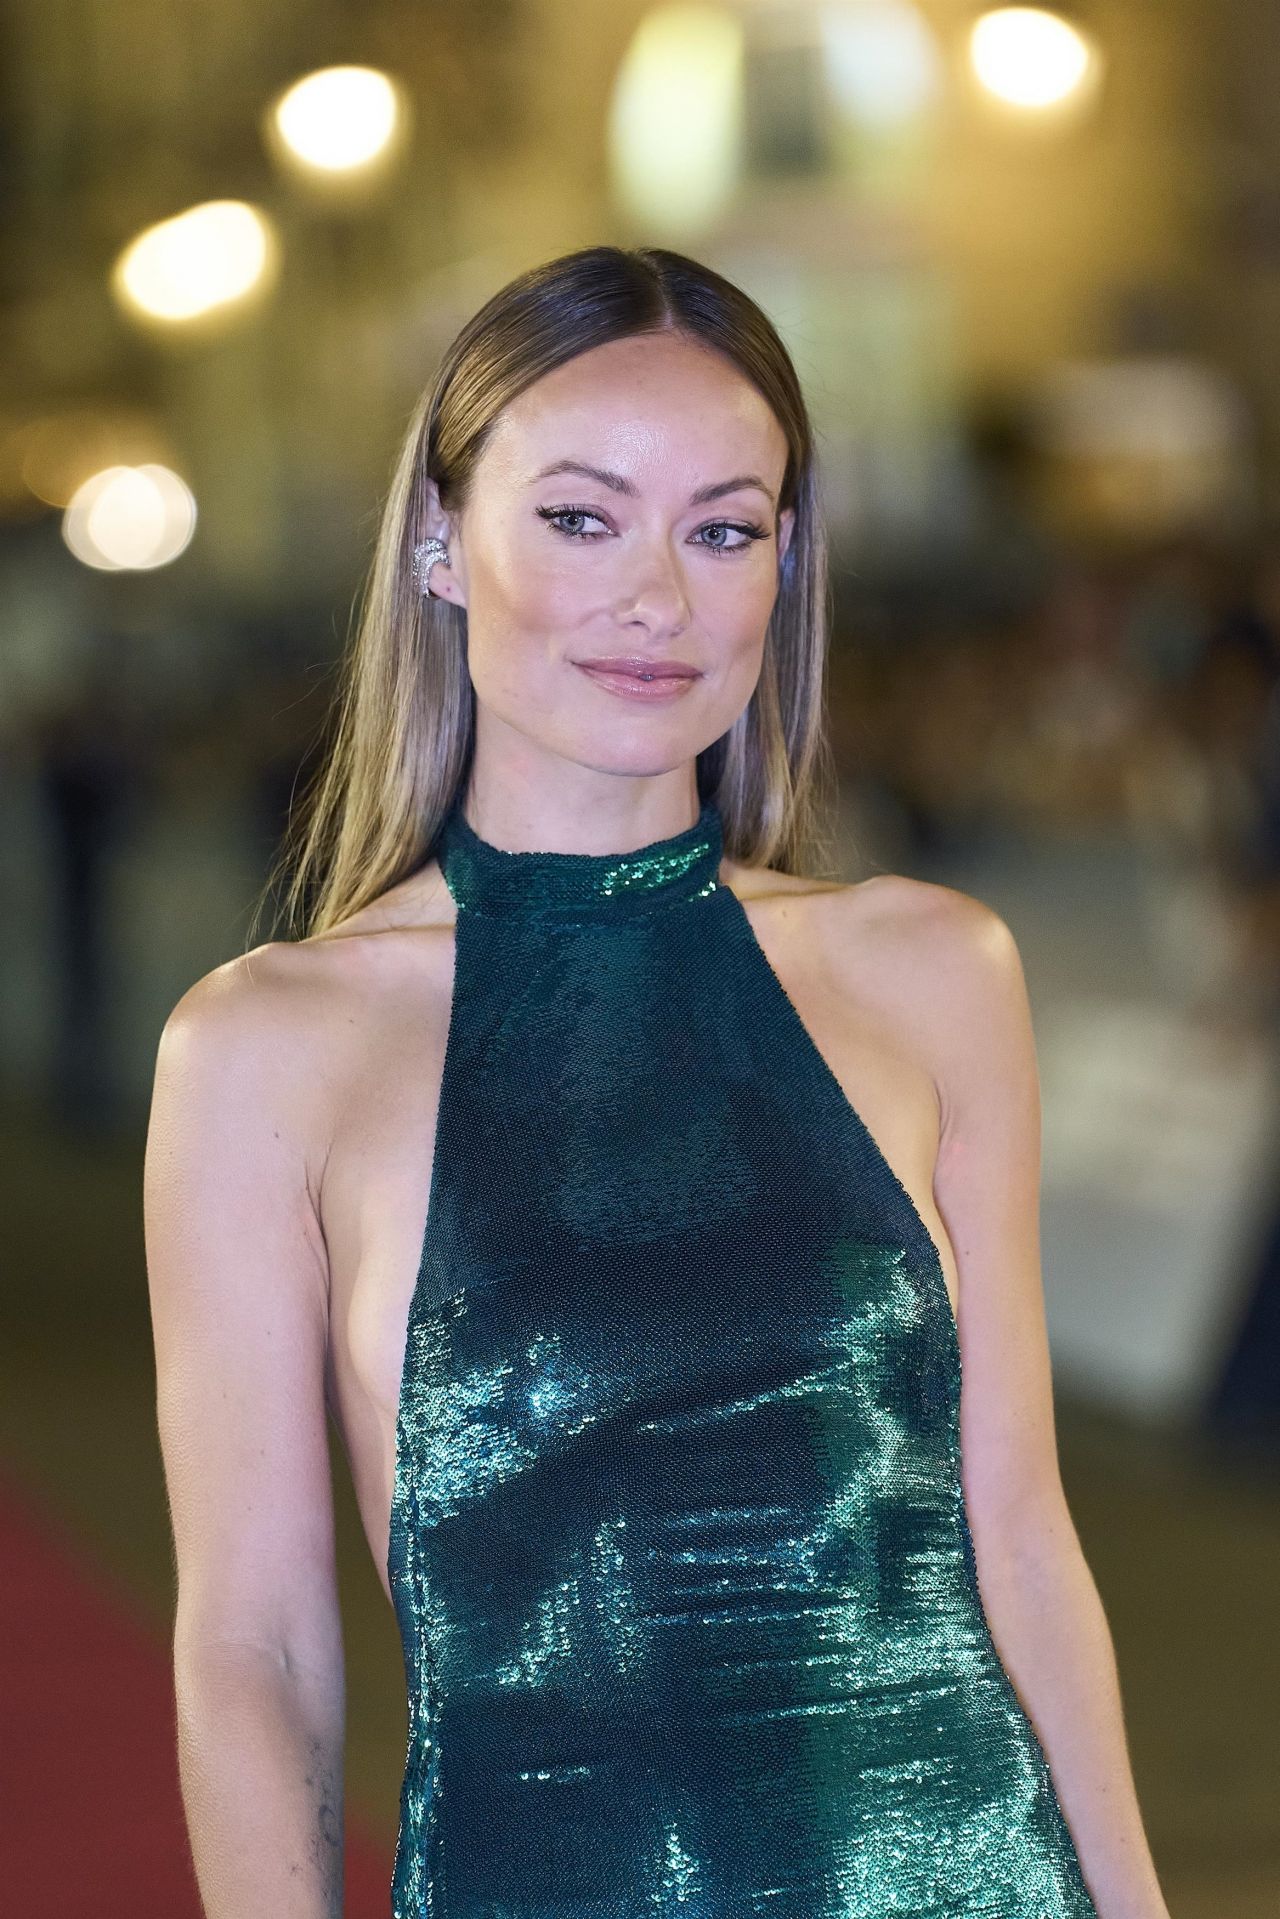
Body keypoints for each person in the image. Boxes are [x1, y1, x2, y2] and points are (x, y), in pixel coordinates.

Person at [144, 245, 1169, 1919]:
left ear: (786, 562)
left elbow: (1024, 1543)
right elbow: (252, 1648)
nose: (658, 599)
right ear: (439, 543)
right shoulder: (267, 1049)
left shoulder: (932, 972)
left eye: (722, 530)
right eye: (579, 517)